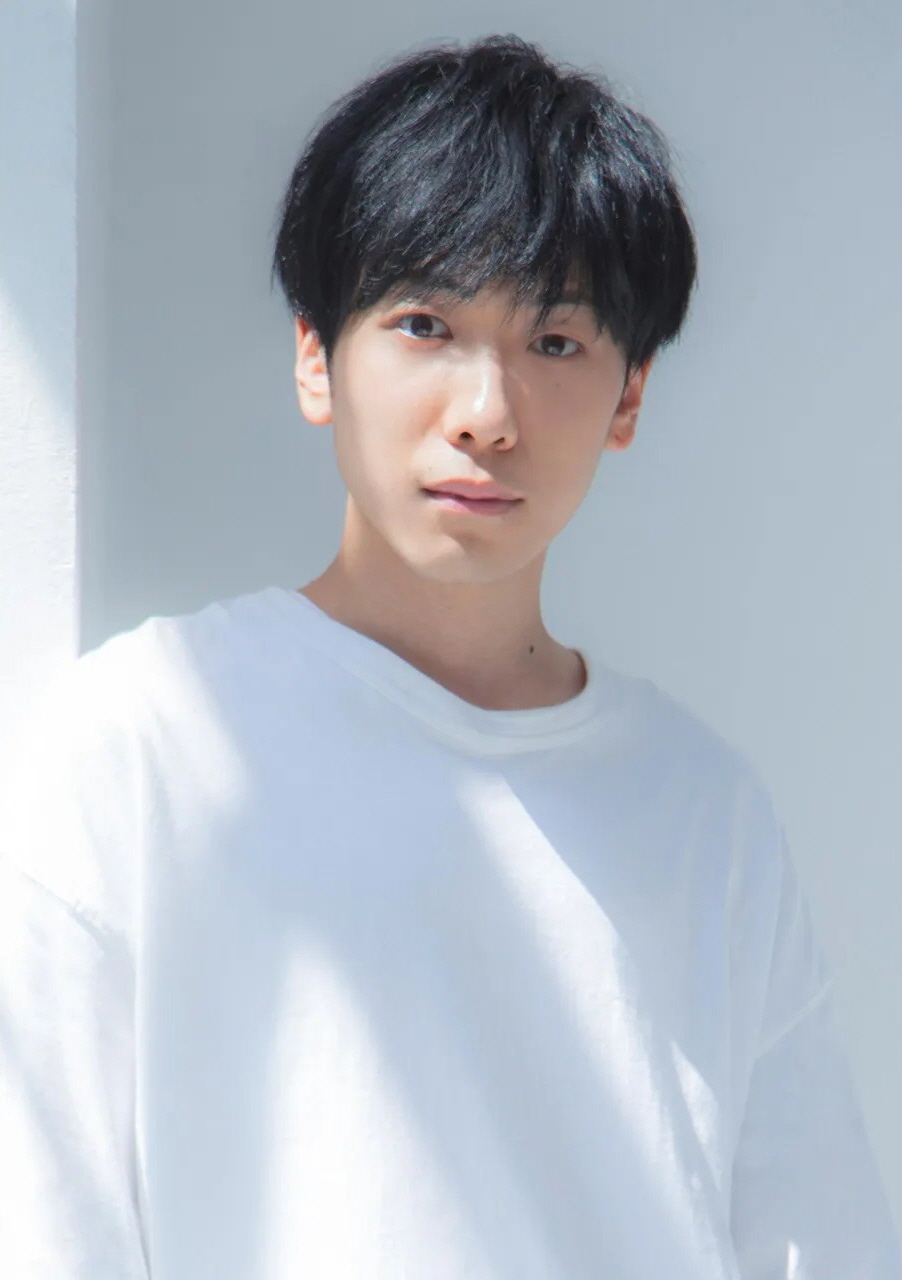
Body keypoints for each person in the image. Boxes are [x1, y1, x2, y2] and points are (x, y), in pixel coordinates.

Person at [1, 32, 899, 1280]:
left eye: (554, 342)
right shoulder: (144, 743)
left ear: (629, 394)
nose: (485, 412)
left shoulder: (705, 813)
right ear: (316, 356)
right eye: (424, 324)